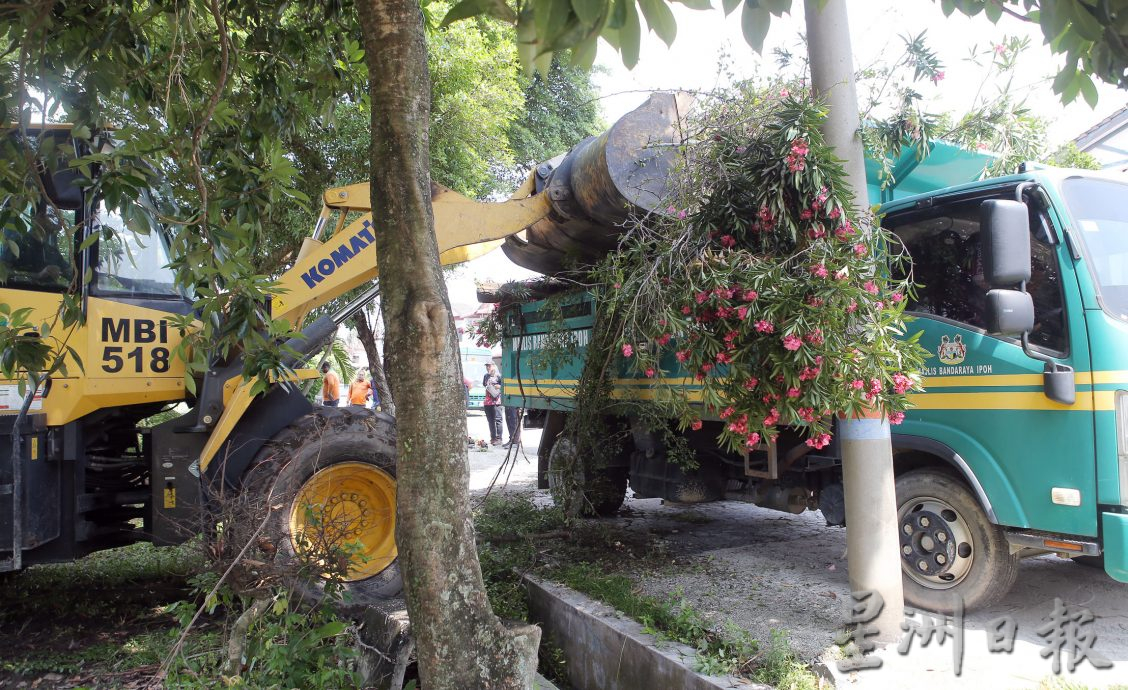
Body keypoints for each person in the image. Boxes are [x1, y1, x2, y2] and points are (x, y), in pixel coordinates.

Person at [482, 362, 503, 445]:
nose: (488, 367)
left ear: (494, 366)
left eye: (489, 366)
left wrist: (499, 386)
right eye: (486, 366)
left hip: (496, 401)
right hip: (487, 402)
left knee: (498, 420)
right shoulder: (486, 376)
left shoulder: (499, 376)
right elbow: (485, 385)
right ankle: (493, 438)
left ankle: (499, 438)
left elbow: (504, 386)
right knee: (490, 421)